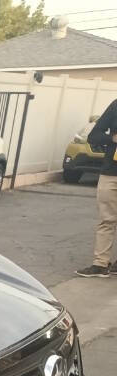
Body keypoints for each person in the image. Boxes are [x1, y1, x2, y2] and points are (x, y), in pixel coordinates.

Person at [78, 100, 117, 277]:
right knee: (106, 219)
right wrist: (113, 138)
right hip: (111, 172)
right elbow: (94, 136)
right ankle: (100, 264)